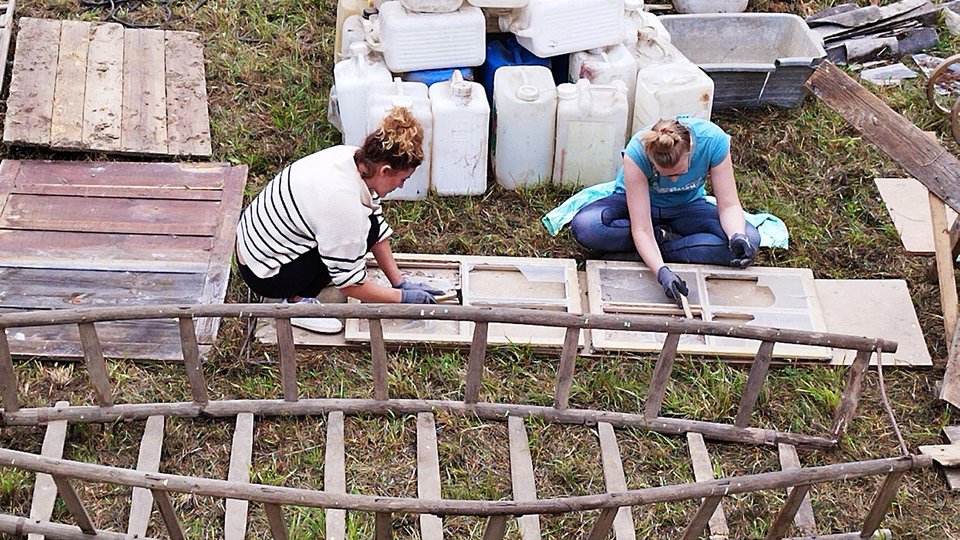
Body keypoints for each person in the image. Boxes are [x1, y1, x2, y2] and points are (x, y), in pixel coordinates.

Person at [235, 106, 443, 333]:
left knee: (366, 228)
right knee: (345, 249)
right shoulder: (343, 204)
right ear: (384, 171)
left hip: (259, 244)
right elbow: (349, 284)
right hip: (266, 273)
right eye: (402, 179)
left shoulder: (352, 158)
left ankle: (302, 286)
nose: (401, 186)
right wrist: (402, 298)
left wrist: (399, 281)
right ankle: (297, 301)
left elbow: (374, 225)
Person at [569, 116, 759, 305]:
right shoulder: (636, 152)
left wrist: (736, 236)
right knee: (587, 226)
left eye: (679, 173)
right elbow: (641, 227)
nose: (674, 180)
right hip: (640, 205)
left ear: (690, 151)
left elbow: (729, 205)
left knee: (750, 239)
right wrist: (661, 271)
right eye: (664, 174)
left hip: (687, 207)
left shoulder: (713, 141)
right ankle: (669, 243)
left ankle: (653, 249)